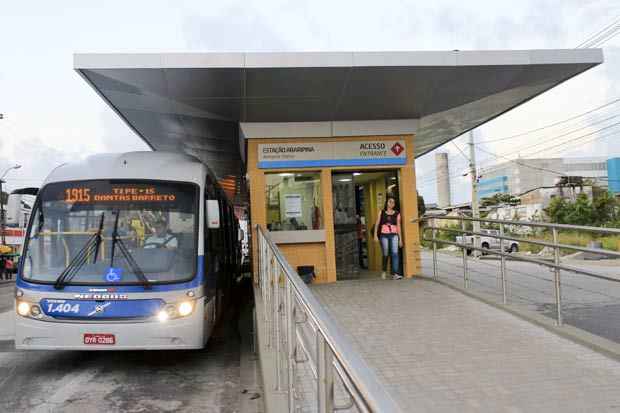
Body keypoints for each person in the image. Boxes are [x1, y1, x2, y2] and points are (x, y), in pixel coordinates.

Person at [373, 196, 403, 280]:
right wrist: (375, 235)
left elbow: (399, 227)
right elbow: (377, 224)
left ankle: (395, 274)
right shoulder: (381, 212)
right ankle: (384, 271)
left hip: (394, 235)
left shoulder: (397, 214)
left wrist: (401, 239)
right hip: (384, 235)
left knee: (395, 254)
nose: (392, 204)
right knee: (385, 254)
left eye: (393, 202)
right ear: (387, 202)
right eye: (390, 202)